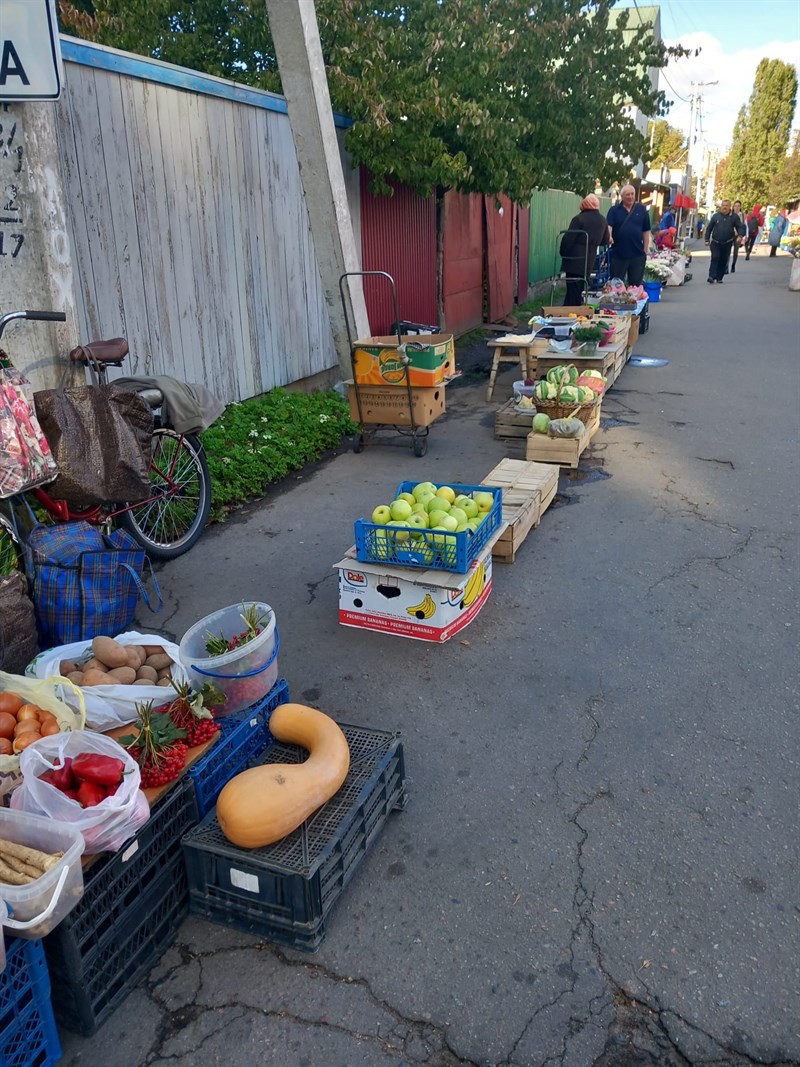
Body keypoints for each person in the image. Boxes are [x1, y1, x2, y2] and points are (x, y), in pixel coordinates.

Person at [559, 194, 609, 306]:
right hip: (589, 259)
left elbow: (569, 239)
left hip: (574, 260)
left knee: (573, 290)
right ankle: (570, 311)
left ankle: (571, 313)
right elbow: (604, 240)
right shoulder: (602, 220)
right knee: (579, 288)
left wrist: (563, 253)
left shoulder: (579, 219)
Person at [607, 184, 651, 285]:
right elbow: (609, 226)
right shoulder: (614, 211)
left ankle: (634, 301)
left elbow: (646, 230)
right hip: (619, 254)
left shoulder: (642, 210)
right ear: (622, 196)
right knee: (616, 285)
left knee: (635, 285)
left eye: (632, 194)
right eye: (627, 194)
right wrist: (609, 236)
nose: (630, 197)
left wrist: (645, 249)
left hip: (637, 254)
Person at [704, 199, 746, 283]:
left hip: (727, 242)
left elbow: (740, 227)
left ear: (730, 206)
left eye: (726, 205)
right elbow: (709, 228)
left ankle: (719, 277)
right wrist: (707, 239)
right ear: (721, 206)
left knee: (723, 259)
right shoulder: (716, 216)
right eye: (723, 205)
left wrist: (740, 236)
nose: (724, 207)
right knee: (715, 257)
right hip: (715, 241)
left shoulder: (734, 217)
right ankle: (711, 276)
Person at [730, 200, 746, 273]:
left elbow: (744, 226)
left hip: (738, 235)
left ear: (740, 207)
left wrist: (744, 236)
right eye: (735, 206)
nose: (736, 208)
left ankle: (733, 265)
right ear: (733, 207)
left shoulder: (742, 215)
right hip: (729, 234)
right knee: (727, 251)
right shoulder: (730, 214)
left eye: (738, 206)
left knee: (735, 251)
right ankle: (726, 266)